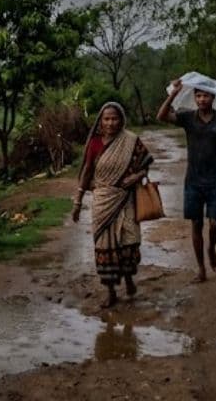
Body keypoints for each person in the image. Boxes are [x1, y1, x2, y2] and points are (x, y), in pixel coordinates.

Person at [157, 78, 216, 283]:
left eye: (205, 96)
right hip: (193, 181)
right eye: (198, 96)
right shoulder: (188, 118)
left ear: (213, 98)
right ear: (194, 98)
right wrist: (173, 93)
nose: (201, 99)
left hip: (215, 180)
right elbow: (161, 116)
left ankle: (211, 248)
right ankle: (201, 269)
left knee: (215, 223)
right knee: (196, 224)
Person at [72, 102, 154, 308]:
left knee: (128, 243)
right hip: (102, 201)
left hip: (126, 199)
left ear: (121, 120)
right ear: (100, 120)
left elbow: (145, 168)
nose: (110, 123)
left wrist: (135, 177)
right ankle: (110, 291)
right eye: (106, 119)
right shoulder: (95, 144)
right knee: (104, 246)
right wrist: (78, 201)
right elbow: (87, 172)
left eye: (114, 118)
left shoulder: (131, 141)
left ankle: (128, 280)